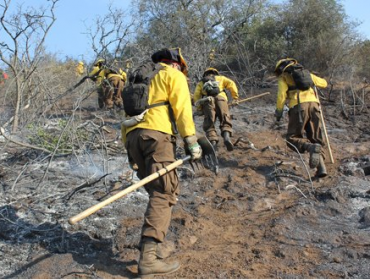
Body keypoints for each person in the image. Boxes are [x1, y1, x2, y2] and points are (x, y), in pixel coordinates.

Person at [121, 47, 202, 278]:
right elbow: (182, 109)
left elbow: (127, 117)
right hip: (157, 136)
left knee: (156, 192)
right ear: (177, 64)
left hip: (133, 138)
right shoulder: (173, 75)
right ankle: (148, 260)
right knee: (164, 193)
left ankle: (151, 251)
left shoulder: (140, 78)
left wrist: (129, 151)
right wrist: (190, 140)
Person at [274, 58, 328, 177]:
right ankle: (322, 168)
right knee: (316, 138)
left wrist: (278, 112)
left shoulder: (284, 77)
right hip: (314, 106)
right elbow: (324, 83)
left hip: (298, 107)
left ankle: (310, 147)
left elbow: (281, 96)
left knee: (292, 138)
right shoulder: (306, 73)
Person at [193, 67, 239, 151]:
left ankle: (213, 143)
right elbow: (231, 84)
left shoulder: (201, 82)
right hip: (221, 99)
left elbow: (196, 96)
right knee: (225, 118)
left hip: (208, 101)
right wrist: (235, 98)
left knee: (209, 123)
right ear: (215, 73)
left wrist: (199, 109)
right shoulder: (221, 78)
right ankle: (226, 137)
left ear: (205, 74)